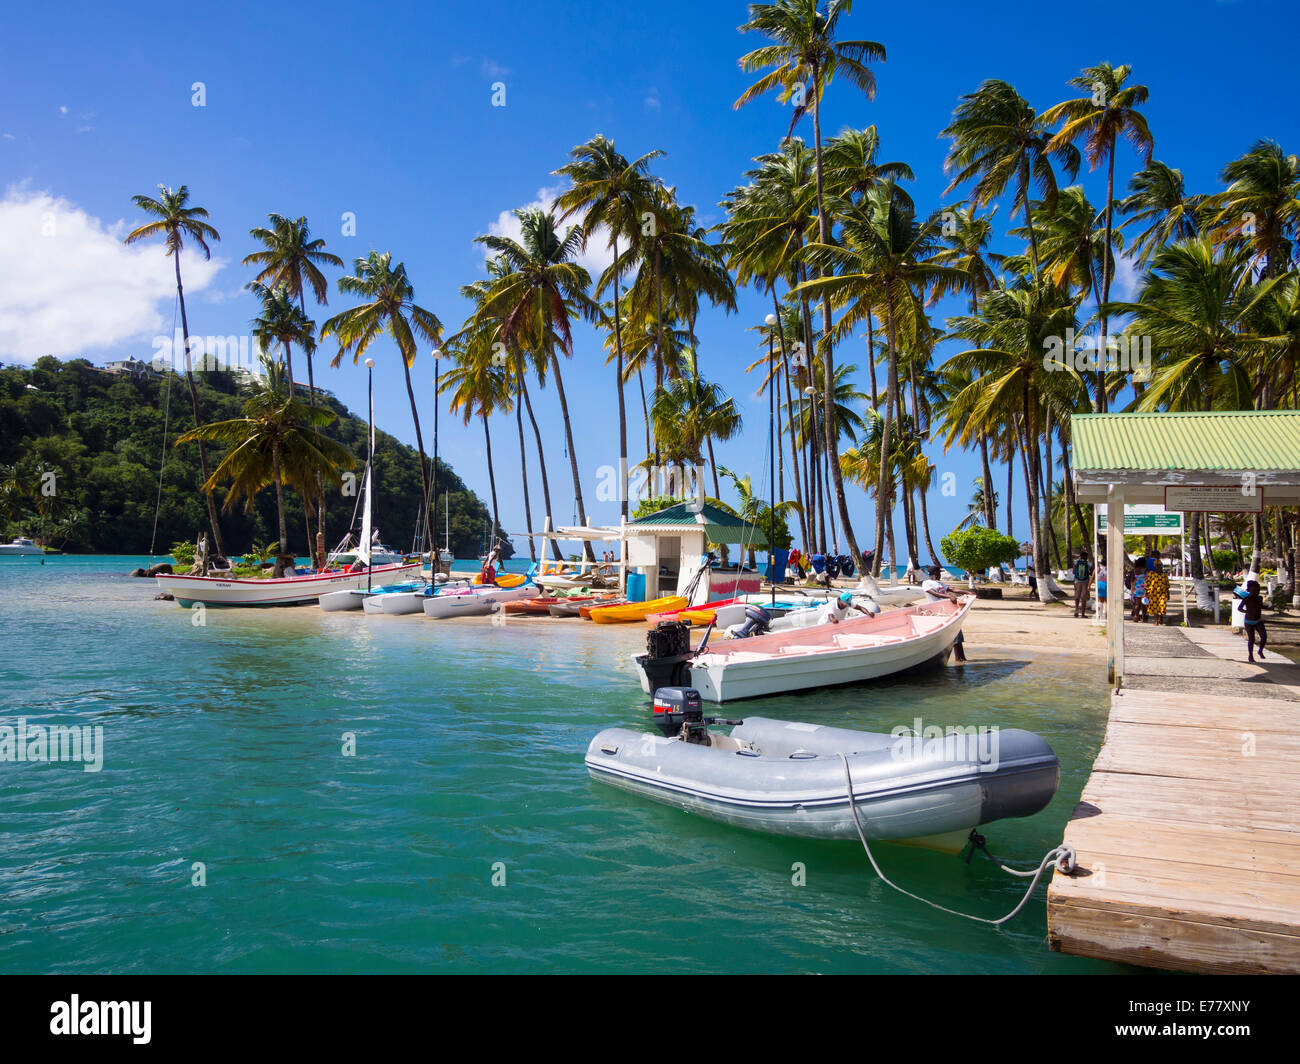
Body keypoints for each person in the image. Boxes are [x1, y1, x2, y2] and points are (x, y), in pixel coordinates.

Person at [921, 566, 966, 662]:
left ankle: (960, 659)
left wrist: (968, 592)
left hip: (948, 611)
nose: (940, 574)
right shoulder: (926, 583)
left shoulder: (940, 583)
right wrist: (949, 596)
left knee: (957, 631)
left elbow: (953, 589)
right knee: (951, 633)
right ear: (934, 574)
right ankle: (957, 659)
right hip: (937, 613)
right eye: (939, 572)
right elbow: (934, 593)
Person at [1234, 580, 1267, 662]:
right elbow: (1239, 608)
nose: (1255, 593)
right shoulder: (1247, 599)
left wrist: (1269, 607)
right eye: (1253, 591)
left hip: (1258, 620)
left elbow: (1261, 606)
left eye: (1256, 591)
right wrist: (1246, 612)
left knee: (1264, 637)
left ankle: (1260, 650)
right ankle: (1250, 656)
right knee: (1251, 639)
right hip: (1249, 621)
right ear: (1249, 591)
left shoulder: (1260, 598)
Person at [1145, 557, 1169, 625]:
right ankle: (1156, 620)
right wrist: (1146, 593)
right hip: (1153, 594)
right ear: (1155, 566)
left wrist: (1168, 593)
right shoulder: (1151, 574)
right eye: (1157, 566)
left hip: (1162, 593)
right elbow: (1147, 584)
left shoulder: (1164, 575)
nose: (1159, 567)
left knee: (1162, 605)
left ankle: (1161, 617)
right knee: (1155, 608)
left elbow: (1167, 585)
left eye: (1160, 566)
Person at [1072, 550, 1094, 618]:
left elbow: (1073, 572)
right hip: (1085, 582)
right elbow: (1091, 572)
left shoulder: (1076, 562)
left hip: (1077, 582)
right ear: (1086, 557)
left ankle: (1076, 611)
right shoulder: (1089, 564)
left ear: (1080, 556)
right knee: (1083, 598)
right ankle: (1083, 614)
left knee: (1077, 597)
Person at [1130, 559, 1148, 623]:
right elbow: (1148, 579)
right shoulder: (1145, 570)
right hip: (1144, 588)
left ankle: (1136, 616)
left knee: (1137, 604)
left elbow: (1132, 581)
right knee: (1144, 604)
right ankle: (1144, 618)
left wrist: (1132, 591)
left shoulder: (1134, 571)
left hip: (1136, 589)